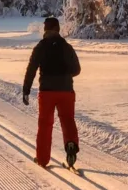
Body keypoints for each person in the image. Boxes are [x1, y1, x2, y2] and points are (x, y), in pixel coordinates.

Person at [21, 15, 82, 169]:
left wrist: (26, 89)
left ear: (46, 29)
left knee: (45, 124)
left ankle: (42, 159)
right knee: (68, 120)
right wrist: (65, 75)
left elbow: (31, 70)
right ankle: (70, 145)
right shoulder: (66, 46)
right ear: (58, 29)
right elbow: (77, 69)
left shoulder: (40, 47)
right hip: (66, 91)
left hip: (47, 92)